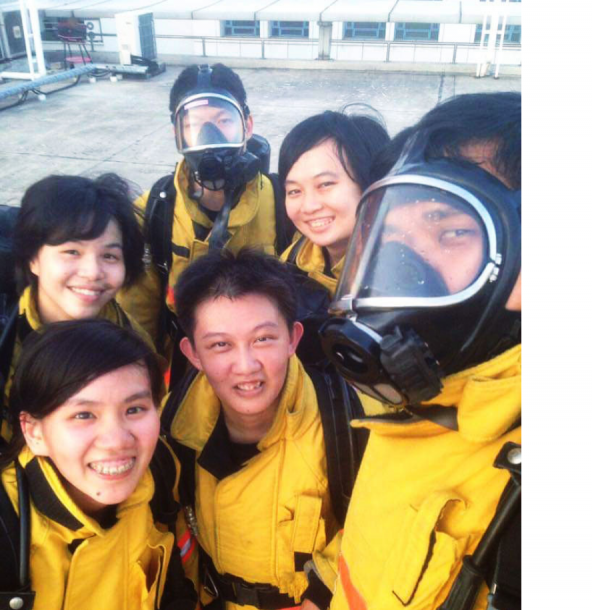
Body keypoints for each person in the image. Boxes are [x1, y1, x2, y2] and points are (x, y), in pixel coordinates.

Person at [277, 91, 522, 610]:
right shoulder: (423, 405)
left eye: (450, 230)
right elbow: (382, 526)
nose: (403, 264)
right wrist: (326, 595)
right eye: (392, 232)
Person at [161, 248, 340, 610]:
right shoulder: (169, 431)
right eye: (220, 345)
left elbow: (387, 525)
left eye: (263, 339)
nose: (246, 366)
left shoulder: (346, 424)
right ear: (193, 354)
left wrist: (321, 601)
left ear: (294, 337)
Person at [0, 319, 197, 610]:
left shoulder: (161, 479)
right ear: (34, 432)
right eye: (83, 414)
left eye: (135, 409)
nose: (116, 439)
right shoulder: (8, 527)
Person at [116, 63, 286, 383]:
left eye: (224, 121)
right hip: (186, 366)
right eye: (196, 125)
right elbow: (136, 314)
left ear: (247, 126)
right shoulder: (154, 210)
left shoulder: (283, 201)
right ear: (177, 134)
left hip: (261, 365)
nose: (210, 137)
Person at [2, 174, 150, 446]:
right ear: (33, 259)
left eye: (109, 256)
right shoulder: (7, 341)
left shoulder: (135, 342)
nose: (92, 272)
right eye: (72, 252)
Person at [279, 108, 390, 293]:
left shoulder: (402, 276)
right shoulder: (294, 260)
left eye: (325, 184)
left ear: (372, 183)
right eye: (294, 191)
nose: (309, 206)